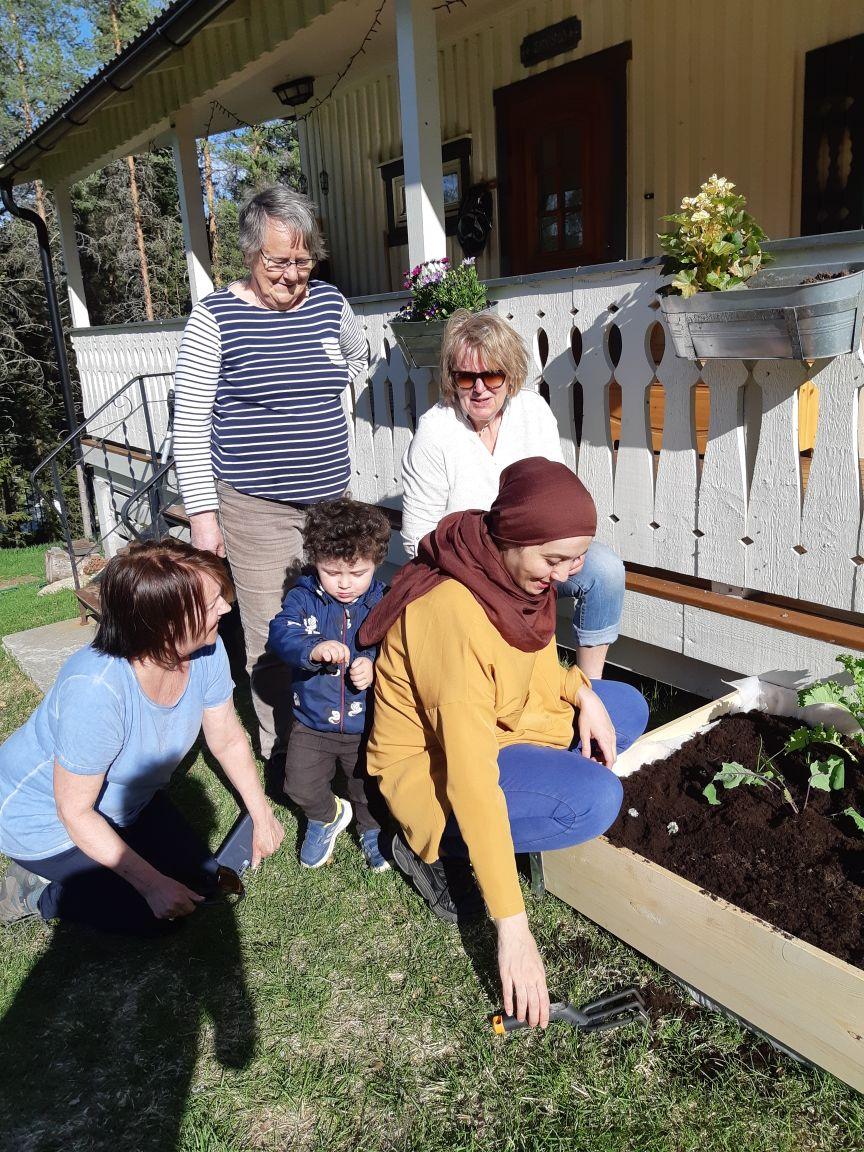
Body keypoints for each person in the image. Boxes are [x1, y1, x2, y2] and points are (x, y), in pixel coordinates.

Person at [359, 457, 649, 1029]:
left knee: (623, 706)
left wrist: (579, 690)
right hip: (437, 770)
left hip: (500, 724)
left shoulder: (507, 575)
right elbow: (469, 776)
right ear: (514, 539)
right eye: (556, 559)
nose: (569, 574)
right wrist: (513, 928)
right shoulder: (452, 612)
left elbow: (532, 670)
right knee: (593, 800)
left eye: (578, 556)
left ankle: (542, 780)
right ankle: (443, 851)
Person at [173, 185, 369, 766]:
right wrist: (204, 517)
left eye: (301, 261)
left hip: (331, 501)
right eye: (276, 262)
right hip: (255, 508)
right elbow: (190, 421)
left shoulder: (331, 304)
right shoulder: (216, 317)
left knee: (339, 614)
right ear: (249, 256)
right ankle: (287, 754)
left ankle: (338, 730)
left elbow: (358, 357)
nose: (290, 275)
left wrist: (335, 368)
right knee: (270, 632)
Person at [0, 540, 284, 935]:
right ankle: (35, 891)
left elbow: (228, 736)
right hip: (46, 820)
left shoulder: (207, 648)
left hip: (128, 803)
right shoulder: (96, 688)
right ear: (162, 622)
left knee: (202, 883)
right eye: (212, 603)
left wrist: (261, 812)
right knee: (155, 916)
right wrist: (151, 885)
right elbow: (75, 812)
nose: (226, 608)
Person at [400, 310, 624, 680]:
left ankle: (590, 685)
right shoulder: (435, 431)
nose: (479, 388)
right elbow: (417, 538)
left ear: (510, 374)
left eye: (492, 374)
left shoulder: (532, 411)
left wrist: (573, 551)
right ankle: (525, 688)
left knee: (604, 571)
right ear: (452, 379)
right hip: (469, 565)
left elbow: (559, 497)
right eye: (466, 376)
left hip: (536, 555)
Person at [267, 499, 391, 872]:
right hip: (311, 720)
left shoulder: (382, 601)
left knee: (366, 787)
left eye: (357, 572)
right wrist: (313, 648)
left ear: (376, 562)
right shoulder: (303, 598)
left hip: (363, 723)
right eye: (332, 571)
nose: (344, 583)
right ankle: (327, 815)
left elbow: (397, 648)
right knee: (298, 786)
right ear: (315, 559)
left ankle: (372, 829)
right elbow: (281, 634)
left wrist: (373, 666)